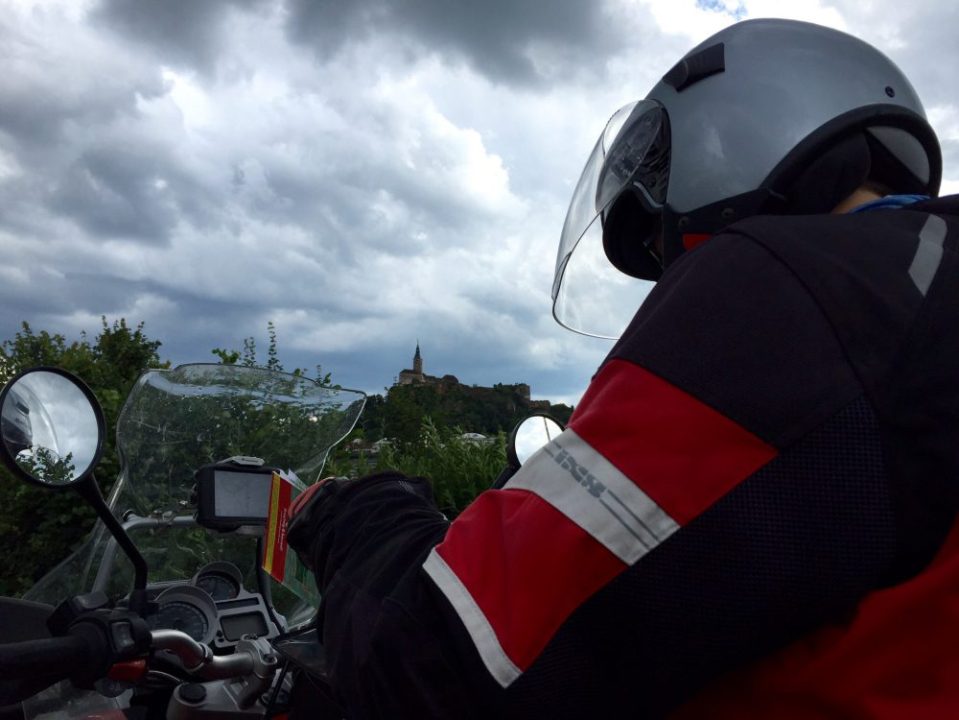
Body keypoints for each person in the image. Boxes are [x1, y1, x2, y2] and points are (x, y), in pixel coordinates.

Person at [287, 18, 959, 718]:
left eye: (664, 248)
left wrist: (359, 514)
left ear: (733, 128)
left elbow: (438, 662)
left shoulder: (787, 290)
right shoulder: (920, 295)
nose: (674, 276)